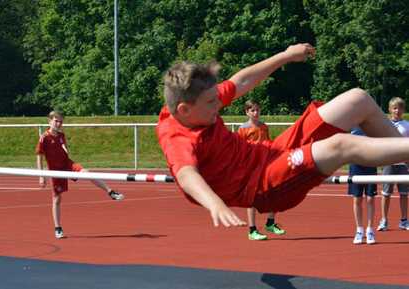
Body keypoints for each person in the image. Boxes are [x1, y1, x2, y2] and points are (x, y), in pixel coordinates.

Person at [156, 43, 407, 228]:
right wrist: (214, 204)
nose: (218, 104)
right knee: (341, 145)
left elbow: (241, 81)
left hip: (272, 151)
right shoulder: (176, 136)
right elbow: (187, 174)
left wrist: (285, 56)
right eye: (212, 102)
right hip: (264, 184)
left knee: (357, 99)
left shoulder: (198, 100)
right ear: (184, 110)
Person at [36, 111, 124, 239]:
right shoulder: (44, 137)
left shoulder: (61, 135)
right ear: (49, 121)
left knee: (87, 173)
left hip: (68, 165)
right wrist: (41, 175)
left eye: (61, 121)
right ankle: (58, 228)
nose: (59, 123)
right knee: (57, 199)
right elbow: (39, 156)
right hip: (55, 170)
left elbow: (64, 151)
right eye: (56, 121)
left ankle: (111, 192)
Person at [237, 100, 285, 240]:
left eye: (257, 110)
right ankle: (252, 230)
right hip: (251, 168)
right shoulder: (243, 128)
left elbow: (268, 143)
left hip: (265, 166)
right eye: (252, 110)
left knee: (275, 193)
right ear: (247, 112)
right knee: (252, 199)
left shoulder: (264, 127)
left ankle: (270, 222)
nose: (256, 113)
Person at [377, 97, 409, 231]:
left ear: (403, 110)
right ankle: (384, 220)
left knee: (404, 194)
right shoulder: (385, 124)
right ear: (390, 109)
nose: (398, 110)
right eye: (395, 108)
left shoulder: (407, 125)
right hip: (388, 163)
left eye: (400, 108)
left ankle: (404, 220)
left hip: (403, 165)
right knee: (386, 193)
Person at [348, 128, 377, 245]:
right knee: (357, 199)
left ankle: (370, 230)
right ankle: (359, 230)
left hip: (370, 164)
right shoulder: (351, 125)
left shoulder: (372, 125)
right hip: (356, 166)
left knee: (370, 199)